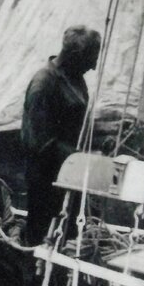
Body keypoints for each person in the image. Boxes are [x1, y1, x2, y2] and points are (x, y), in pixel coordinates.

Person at [21, 25, 101, 245]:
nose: (94, 67)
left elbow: (77, 122)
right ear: (75, 56)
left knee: (71, 238)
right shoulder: (43, 84)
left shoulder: (75, 78)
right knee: (41, 239)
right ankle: (33, 276)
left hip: (70, 175)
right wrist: (83, 159)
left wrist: (100, 140)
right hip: (46, 180)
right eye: (91, 59)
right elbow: (39, 142)